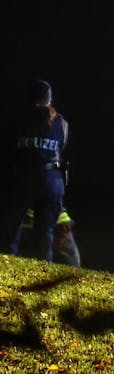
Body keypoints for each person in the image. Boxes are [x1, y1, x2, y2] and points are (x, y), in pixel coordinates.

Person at [2, 79, 69, 262]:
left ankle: (8, 265)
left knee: (11, 227)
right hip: (52, 180)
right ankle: (43, 271)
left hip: (23, 178)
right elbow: (61, 147)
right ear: (49, 99)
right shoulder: (60, 122)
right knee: (45, 232)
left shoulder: (17, 120)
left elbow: (8, 148)